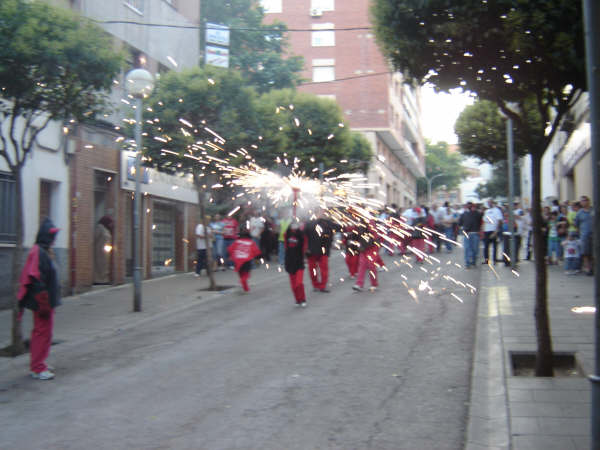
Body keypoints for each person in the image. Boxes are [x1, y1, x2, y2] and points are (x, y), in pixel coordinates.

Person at [17, 218, 61, 380]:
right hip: (42, 302)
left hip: (46, 301)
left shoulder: (44, 251)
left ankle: (40, 362)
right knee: (41, 333)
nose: (54, 240)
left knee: (46, 333)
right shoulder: (39, 252)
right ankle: (37, 367)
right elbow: (36, 278)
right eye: (52, 236)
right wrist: (43, 301)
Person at [304, 210, 336, 293]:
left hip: (323, 250)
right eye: (320, 213)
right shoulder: (309, 224)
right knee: (312, 270)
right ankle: (315, 285)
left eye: (323, 213)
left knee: (324, 269)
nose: (322, 214)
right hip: (312, 251)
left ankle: (323, 286)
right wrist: (306, 249)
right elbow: (304, 237)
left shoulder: (328, 223)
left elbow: (337, 229)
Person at [227, 228, 261, 293]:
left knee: (241, 274)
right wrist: (257, 257)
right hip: (246, 260)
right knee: (246, 274)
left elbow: (230, 249)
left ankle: (246, 289)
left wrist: (231, 256)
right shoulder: (251, 242)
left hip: (237, 260)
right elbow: (256, 251)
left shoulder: (237, 241)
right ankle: (242, 281)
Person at [284, 222, 307, 307]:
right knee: (293, 285)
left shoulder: (301, 235)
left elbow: (304, 246)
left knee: (299, 283)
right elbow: (286, 247)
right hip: (290, 262)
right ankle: (297, 300)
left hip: (299, 262)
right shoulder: (286, 234)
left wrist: (304, 256)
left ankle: (303, 299)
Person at [352, 220, 379, 292]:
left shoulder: (370, 222)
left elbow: (373, 235)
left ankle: (374, 284)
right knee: (362, 265)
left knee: (371, 266)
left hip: (372, 247)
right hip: (363, 248)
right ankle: (359, 284)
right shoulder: (359, 222)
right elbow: (355, 232)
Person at [459, 202, 483, 269]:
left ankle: (473, 261)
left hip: (475, 233)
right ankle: (467, 263)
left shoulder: (477, 214)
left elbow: (480, 222)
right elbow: (460, 223)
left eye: (471, 206)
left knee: (475, 249)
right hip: (467, 233)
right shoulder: (464, 214)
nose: (470, 207)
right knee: (467, 249)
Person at [575, 195, 594, 275]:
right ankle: (588, 268)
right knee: (585, 253)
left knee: (594, 252)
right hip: (584, 235)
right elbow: (576, 224)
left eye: (585, 200)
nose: (583, 202)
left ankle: (593, 267)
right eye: (582, 201)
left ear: (588, 201)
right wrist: (580, 233)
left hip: (594, 235)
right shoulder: (579, 213)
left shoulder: (593, 210)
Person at [482, 200, 503, 264]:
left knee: (494, 246)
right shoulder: (486, 211)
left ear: (493, 203)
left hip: (494, 230)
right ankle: (487, 260)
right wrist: (483, 229)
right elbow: (484, 221)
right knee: (486, 246)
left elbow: (500, 221)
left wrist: (496, 231)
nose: (489, 204)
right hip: (486, 230)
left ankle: (495, 260)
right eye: (488, 203)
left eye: (490, 203)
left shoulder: (497, 210)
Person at [94, 215, 113, 284]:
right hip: (100, 250)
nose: (111, 225)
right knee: (100, 265)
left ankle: (105, 279)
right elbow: (95, 237)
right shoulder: (100, 227)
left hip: (106, 250)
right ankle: (98, 280)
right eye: (110, 223)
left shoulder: (107, 229)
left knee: (105, 265)